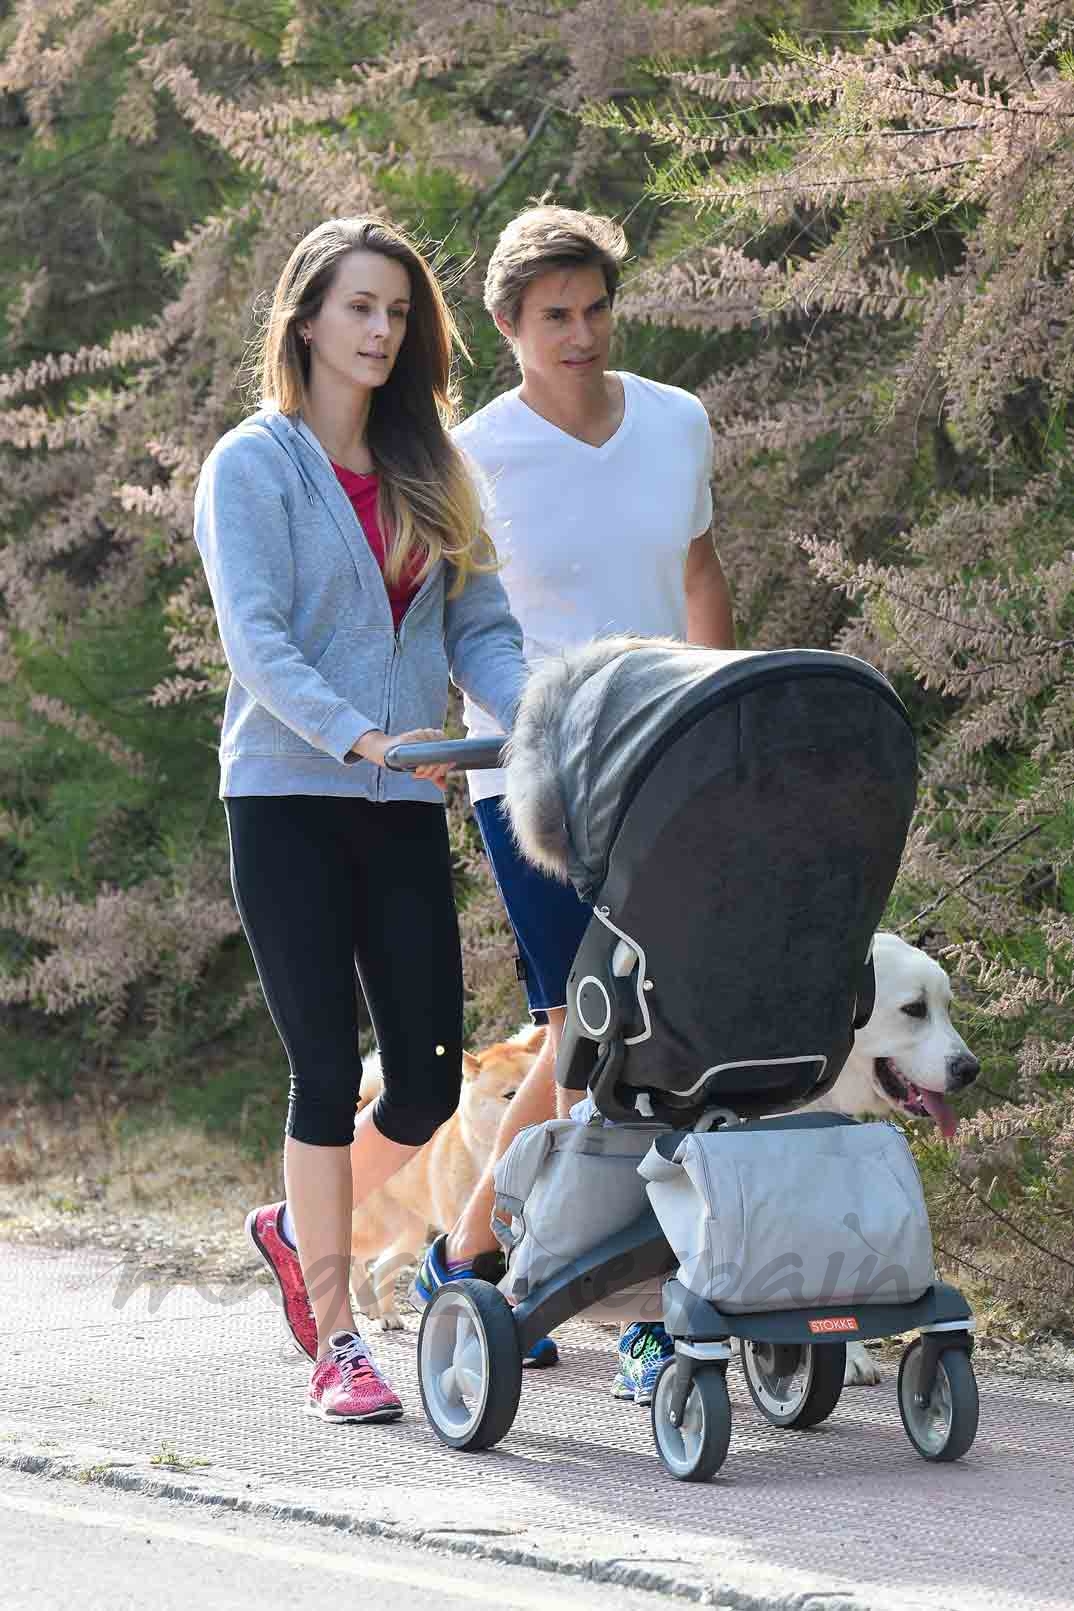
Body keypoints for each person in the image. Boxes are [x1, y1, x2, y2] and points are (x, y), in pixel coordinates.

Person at [193, 216, 528, 1424]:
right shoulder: (253, 465)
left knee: (430, 1082)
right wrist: (358, 733)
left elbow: (479, 632)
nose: (383, 331)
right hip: (287, 796)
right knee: (325, 1065)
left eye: (399, 313)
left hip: (401, 801)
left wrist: (539, 716)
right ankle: (336, 1335)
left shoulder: (434, 468)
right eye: (361, 309)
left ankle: (296, 1224)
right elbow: (259, 638)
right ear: (306, 320)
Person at [408, 203, 735, 1402]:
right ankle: (556, 1280)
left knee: (657, 1031)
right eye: (557, 317)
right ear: (507, 327)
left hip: (670, 768)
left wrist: (725, 722)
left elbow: (699, 570)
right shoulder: (472, 456)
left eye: (597, 309)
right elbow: (448, 616)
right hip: (535, 778)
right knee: (587, 1031)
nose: (583, 334)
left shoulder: (676, 421)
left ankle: (483, 1257)